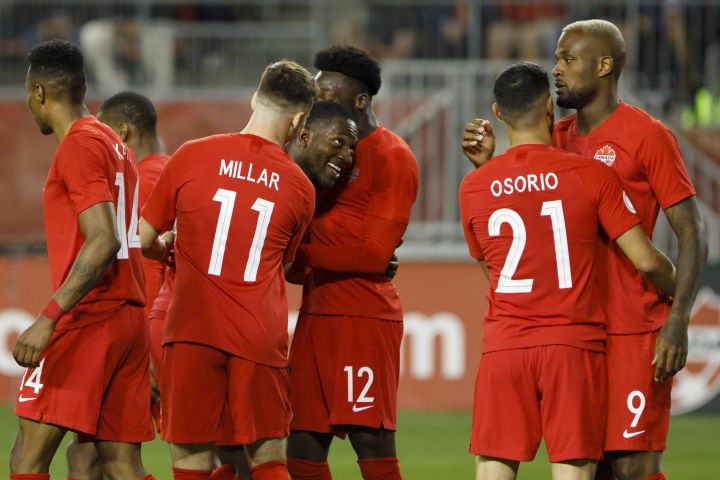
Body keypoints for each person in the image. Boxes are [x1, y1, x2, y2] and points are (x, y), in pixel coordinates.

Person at [462, 19, 707, 480]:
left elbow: (693, 232)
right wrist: (489, 168)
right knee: (587, 467)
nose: (555, 69)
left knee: (632, 465)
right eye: (556, 58)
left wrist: (678, 319)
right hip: (577, 332)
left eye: (567, 59)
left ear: (604, 65)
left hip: (634, 329)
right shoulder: (557, 138)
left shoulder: (648, 136)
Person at [144, 100, 359, 480]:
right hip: (256, 331)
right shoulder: (298, 186)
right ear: (298, 121)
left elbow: (143, 239)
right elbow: (286, 262)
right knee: (268, 459)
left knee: (191, 461)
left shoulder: (192, 154)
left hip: (191, 327)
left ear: (255, 100)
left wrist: (167, 247)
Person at [10, 40, 155, 480]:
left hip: (89, 316)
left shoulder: (77, 146)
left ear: (38, 93)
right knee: (119, 462)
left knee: (27, 456)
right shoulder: (116, 144)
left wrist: (49, 316)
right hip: (129, 320)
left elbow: (103, 239)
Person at [286, 45, 419, 480]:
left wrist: (297, 256)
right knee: (301, 446)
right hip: (315, 311)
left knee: (371, 442)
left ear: (360, 101)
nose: (317, 100)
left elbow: (375, 254)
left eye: (326, 92)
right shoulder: (313, 151)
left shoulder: (392, 155)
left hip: (362, 316)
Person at [62, 91, 170, 480]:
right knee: (95, 455)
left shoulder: (150, 178)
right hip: (145, 331)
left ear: (122, 130)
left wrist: (150, 354)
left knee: (96, 457)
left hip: (138, 331)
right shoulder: (167, 173)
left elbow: (146, 265)